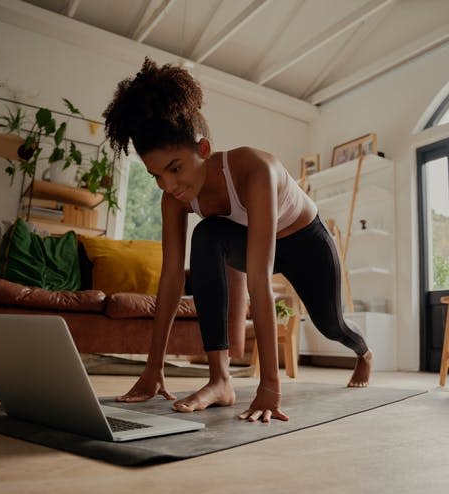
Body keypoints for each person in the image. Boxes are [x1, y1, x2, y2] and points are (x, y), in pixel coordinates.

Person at [103, 57, 372, 423]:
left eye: (175, 168)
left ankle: (364, 353)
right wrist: (153, 369)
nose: (168, 186)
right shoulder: (174, 198)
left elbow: (258, 282)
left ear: (203, 149)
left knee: (331, 325)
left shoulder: (254, 170)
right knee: (207, 234)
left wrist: (270, 386)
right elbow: (169, 280)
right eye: (156, 176)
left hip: (305, 241)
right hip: (251, 243)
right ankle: (220, 379)